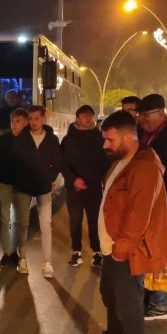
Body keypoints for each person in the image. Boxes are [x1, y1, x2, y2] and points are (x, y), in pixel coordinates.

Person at [82, 110, 167, 334]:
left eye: (110, 139)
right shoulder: (122, 161)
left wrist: (122, 247)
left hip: (125, 250)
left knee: (128, 304)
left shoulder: (144, 166)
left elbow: (139, 213)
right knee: (111, 297)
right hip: (111, 248)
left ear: (128, 136)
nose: (105, 144)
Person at [136, 93, 167, 321]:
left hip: (162, 204)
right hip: (150, 203)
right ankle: (150, 297)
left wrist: (165, 210)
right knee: (149, 252)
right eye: (140, 115)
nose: (141, 119)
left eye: (145, 115)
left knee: (159, 254)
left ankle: (159, 304)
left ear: (160, 113)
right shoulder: (148, 134)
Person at [12, 105, 63, 278]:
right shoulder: (21, 138)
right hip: (23, 187)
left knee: (45, 225)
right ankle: (22, 259)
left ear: (43, 118)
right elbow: (15, 162)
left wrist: (50, 177)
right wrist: (19, 178)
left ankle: (47, 263)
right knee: (23, 224)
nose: (34, 122)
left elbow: (58, 161)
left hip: (43, 187)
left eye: (37, 118)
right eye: (31, 119)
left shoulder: (51, 139)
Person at [62, 105, 111, 269]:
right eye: (84, 115)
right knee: (75, 221)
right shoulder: (68, 139)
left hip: (94, 188)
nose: (88, 118)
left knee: (94, 221)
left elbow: (105, 162)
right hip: (74, 189)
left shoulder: (99, 138)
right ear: (77, 118)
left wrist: (106, 180)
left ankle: (96, 252)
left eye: (90, 115)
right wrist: (73, 179)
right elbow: (63, 163)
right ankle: (76, 251)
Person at [0, 108, 27, 268]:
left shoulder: (28, 139)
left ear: (25, 122)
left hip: (22, 185)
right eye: (12, 121)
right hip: (4, 183)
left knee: (21, 221)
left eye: (18, 121)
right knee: (5, 219)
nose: (14, 124)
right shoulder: (3, 139)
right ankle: (7, 253)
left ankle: (19, 253)